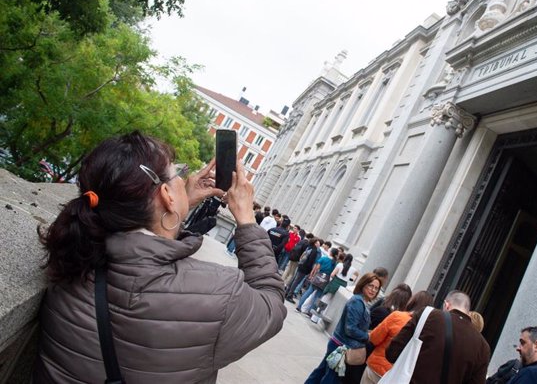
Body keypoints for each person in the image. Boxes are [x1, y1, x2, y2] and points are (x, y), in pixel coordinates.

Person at [33, 131, 287, 383]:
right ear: (165, 194)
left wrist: (178, 203)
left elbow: (137, 252)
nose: (185, 178)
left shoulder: (73, 251)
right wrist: (245, 219)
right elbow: (271, 305)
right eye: (179, 173)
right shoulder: (219, 292)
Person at [386, 290, 490, 384]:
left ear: (446, 305)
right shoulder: (483, 347)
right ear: (468, 312)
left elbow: (392, 353)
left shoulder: (427, 315)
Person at [305, 272, 382, 384]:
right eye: (371, 286)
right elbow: (350, 329)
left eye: (376, 288)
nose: (373, 290)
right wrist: (367, 336)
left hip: (340, 344)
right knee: (331, 378)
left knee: (321, 371)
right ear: (363, 284)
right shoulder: (357, 301)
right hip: (341, 346)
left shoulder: (362, 302)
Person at [362, 291, 435, 384]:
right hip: (397, 377)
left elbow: (374, 338)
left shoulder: (397, 316)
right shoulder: (426, 330)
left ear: (412, 301)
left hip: (376, 367)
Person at [297, 247, 338, 315]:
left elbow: (317, 268)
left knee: (308, 292)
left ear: (330, 253)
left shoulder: (324, 258)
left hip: (318, 276)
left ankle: (299, 307)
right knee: (317, 296)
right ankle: (310, 312)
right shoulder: (334, 263)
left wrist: (312, 274)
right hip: (325, 280)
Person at [285, 237, 320, 302]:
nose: (319, 244)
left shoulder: (309, 247)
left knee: (294, 279)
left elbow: (303, 255)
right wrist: (309, 270)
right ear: (315, 243)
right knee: (296, 281)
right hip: (305, 268)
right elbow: (310, 261)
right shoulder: (314, 251)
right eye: (318, 243)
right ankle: (289, 295)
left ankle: (287, 292)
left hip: (301, 265)